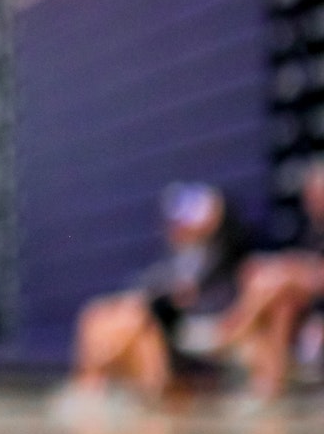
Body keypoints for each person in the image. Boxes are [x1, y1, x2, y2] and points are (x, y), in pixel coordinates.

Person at [68, 183, 252, 403]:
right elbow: (151, 288)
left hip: (200, 323)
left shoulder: (221, 258)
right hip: (166, 321)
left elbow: (197, 295)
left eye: (188, 218)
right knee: (97, 312)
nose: (179, 225)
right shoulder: (172, 262)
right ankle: (92, 384)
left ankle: (96, 384)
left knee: (135, 322)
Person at [215, 162, 324, 399]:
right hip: (304, 303)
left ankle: (235, 329)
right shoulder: (311, 229)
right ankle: (271, 385)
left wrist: (293, 268)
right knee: (280, 303)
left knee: (277, 281)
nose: (312, 200)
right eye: (310, 194)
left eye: (317, 194)